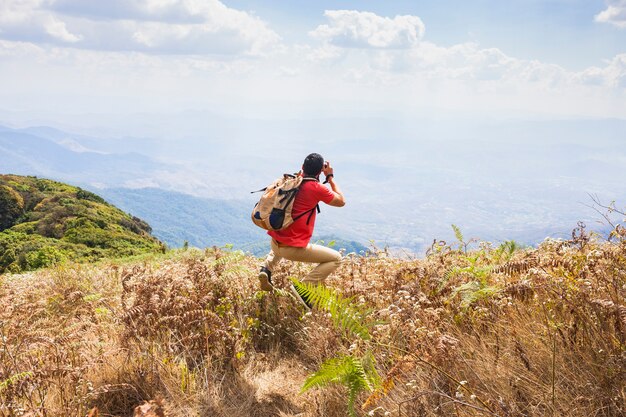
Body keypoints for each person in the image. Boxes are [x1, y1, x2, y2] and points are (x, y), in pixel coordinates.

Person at [258, 153, 346, 309]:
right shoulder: (316, 187)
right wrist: (330, 177)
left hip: (274, 243)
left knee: (285, 234)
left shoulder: (292, 181)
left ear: (302, 167)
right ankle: (303, 288)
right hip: (291, 249)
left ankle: (267, 267)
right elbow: (341, 201)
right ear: (320, 172)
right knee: (336, 258)